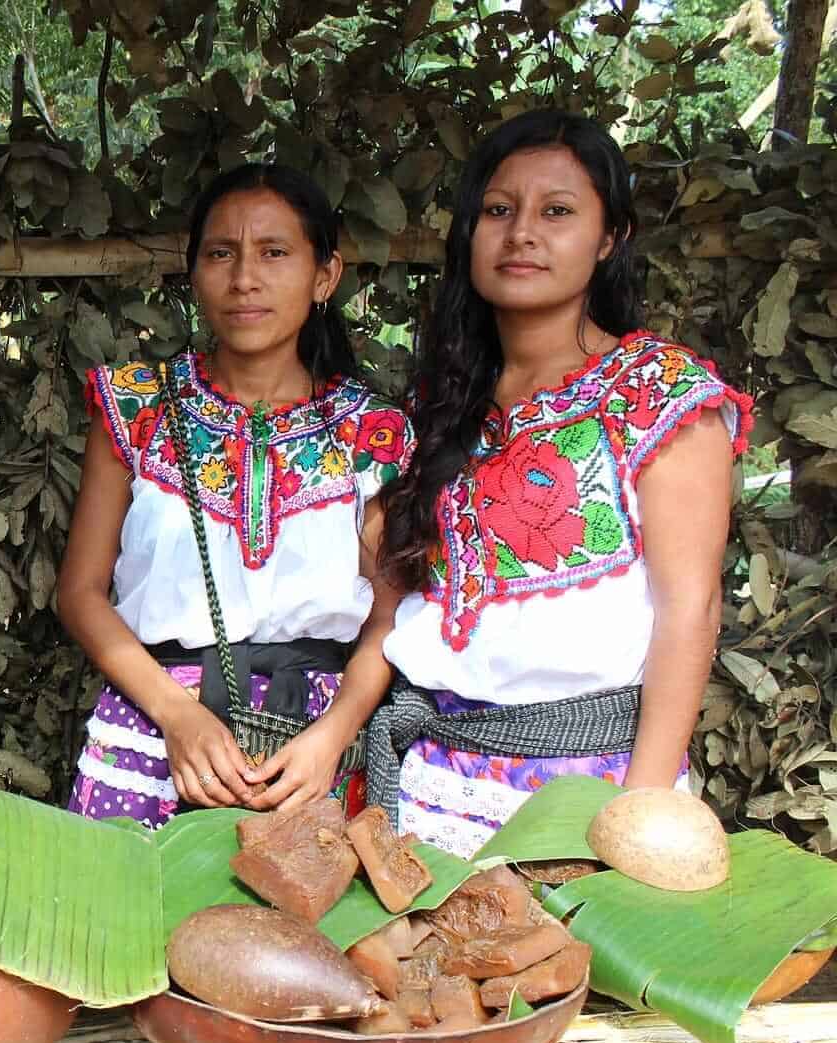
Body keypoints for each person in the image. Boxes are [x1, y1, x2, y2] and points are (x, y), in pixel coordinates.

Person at [371, 109, 753, 856]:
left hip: (590, 790)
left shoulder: (658, 392)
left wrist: (636, 817)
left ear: (609, 239)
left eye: (557, 211)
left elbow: (691, 609)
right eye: (498, 210)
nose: (522, 233)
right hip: (432, 783)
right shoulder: (442, 408)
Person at [57, 164, 414, 827]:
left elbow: (387, 621)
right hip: (153, 733)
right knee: (129, 928)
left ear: (324, 277)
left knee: (312, 931)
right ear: (194, 273)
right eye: (222, 253)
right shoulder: (136, 408)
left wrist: (333, 738)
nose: (244, 277)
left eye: (274, 253)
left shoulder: (370, 434)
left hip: (310, 757)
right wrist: (175, 714)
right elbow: (80, 592)